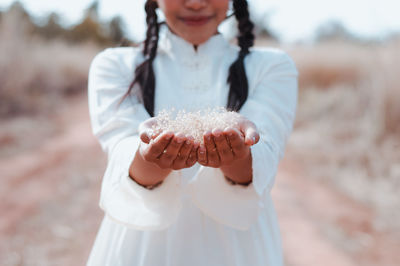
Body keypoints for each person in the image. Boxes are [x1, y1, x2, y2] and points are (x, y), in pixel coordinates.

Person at [87, 0, 298, 265]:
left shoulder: (272, 66)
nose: (196, 3)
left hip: (240, 250)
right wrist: (148, 156)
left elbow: (262, 160)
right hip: (141, 248)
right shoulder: (115, 65)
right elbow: (122, 151)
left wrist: (238, 156)